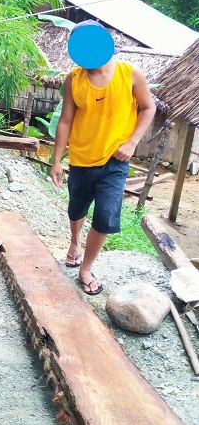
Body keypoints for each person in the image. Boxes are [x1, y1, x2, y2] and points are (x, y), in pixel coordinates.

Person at [50, 20, 156, 295]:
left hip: (115, 160)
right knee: (76, 209)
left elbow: (148, 108)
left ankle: (86, 268)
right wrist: (57, 161)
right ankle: (75, 242)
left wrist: (132, 142)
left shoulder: (130, 74)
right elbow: (65, 120)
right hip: (81, 158)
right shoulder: (74, 79)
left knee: (106, 216)